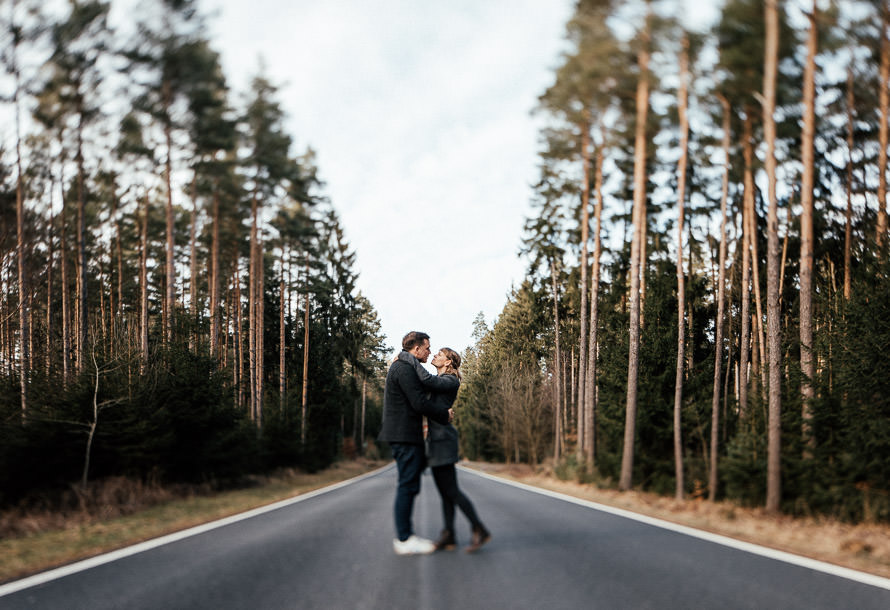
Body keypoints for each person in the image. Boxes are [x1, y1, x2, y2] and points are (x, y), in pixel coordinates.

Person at [398, 346, 491, 553]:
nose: (434, 355)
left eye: (439, 354)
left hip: (444, 441)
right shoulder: (439, 381)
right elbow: (421, 388)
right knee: (445, 492)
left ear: (448, 362)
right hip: (436, 441)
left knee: (451, 490)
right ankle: (449, 534)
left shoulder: (450, 381)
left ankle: (479, 528)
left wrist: (407, 357)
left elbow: (427, 381)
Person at [378, 331, 456, 555]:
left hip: (407, 434)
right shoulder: (403, 368)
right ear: (416, 349)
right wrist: (444, 414)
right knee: (407, 485)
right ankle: (404, 539)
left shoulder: (405, 365)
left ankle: (406, 536)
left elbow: (424, 390)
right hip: (403, 434)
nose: (430, 351)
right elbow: (419, 402)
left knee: (410, 484)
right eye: (427, 347)